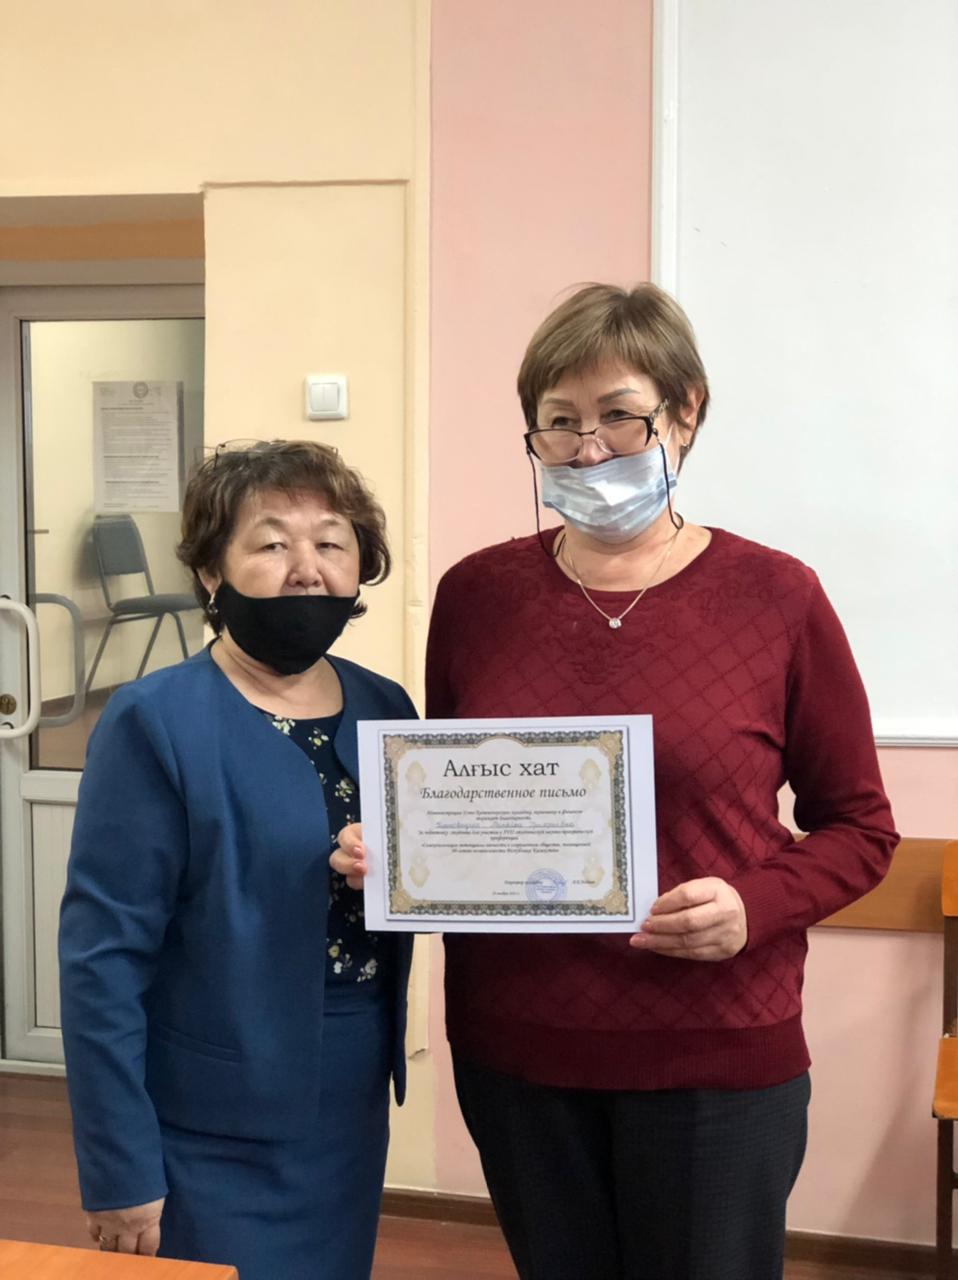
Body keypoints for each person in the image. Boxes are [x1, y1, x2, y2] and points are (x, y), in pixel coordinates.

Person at [336, 283, 897, 1280]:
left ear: (685, 413)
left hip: (714, 1049)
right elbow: (458, 792)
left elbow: (860, 827)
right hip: (517, 1049)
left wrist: (755, 905)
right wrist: (400, 850)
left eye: (620, 416)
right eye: (559, 422)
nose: (588, 451)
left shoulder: (776, 596)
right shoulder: (477, 596)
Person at [59, 440, 416, 1280]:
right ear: (211, 570)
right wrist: (119, 1167)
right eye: (272, 543)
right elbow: (102, 961)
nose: (306, 569)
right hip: (207, 1119)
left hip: (350, 1096)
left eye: (331, 543)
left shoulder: (386, 707)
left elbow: (426, 888)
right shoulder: (154, 720)